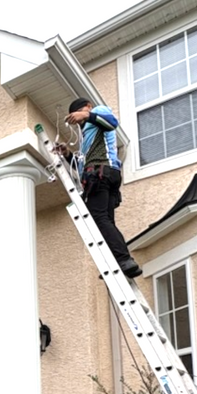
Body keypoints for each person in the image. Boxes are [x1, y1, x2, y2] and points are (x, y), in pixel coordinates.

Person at [58, 98, 142, 278]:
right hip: (104, 174)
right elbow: (80, 167)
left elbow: (112, 123)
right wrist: (66, 155)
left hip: (101, 173)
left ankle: (124, 259)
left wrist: (86, 115)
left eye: (79, 116)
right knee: (106, 221)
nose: (79, 122)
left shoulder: (99, 112)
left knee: (98, 217)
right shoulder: (88, 136)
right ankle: (119, 262)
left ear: (88, 107)